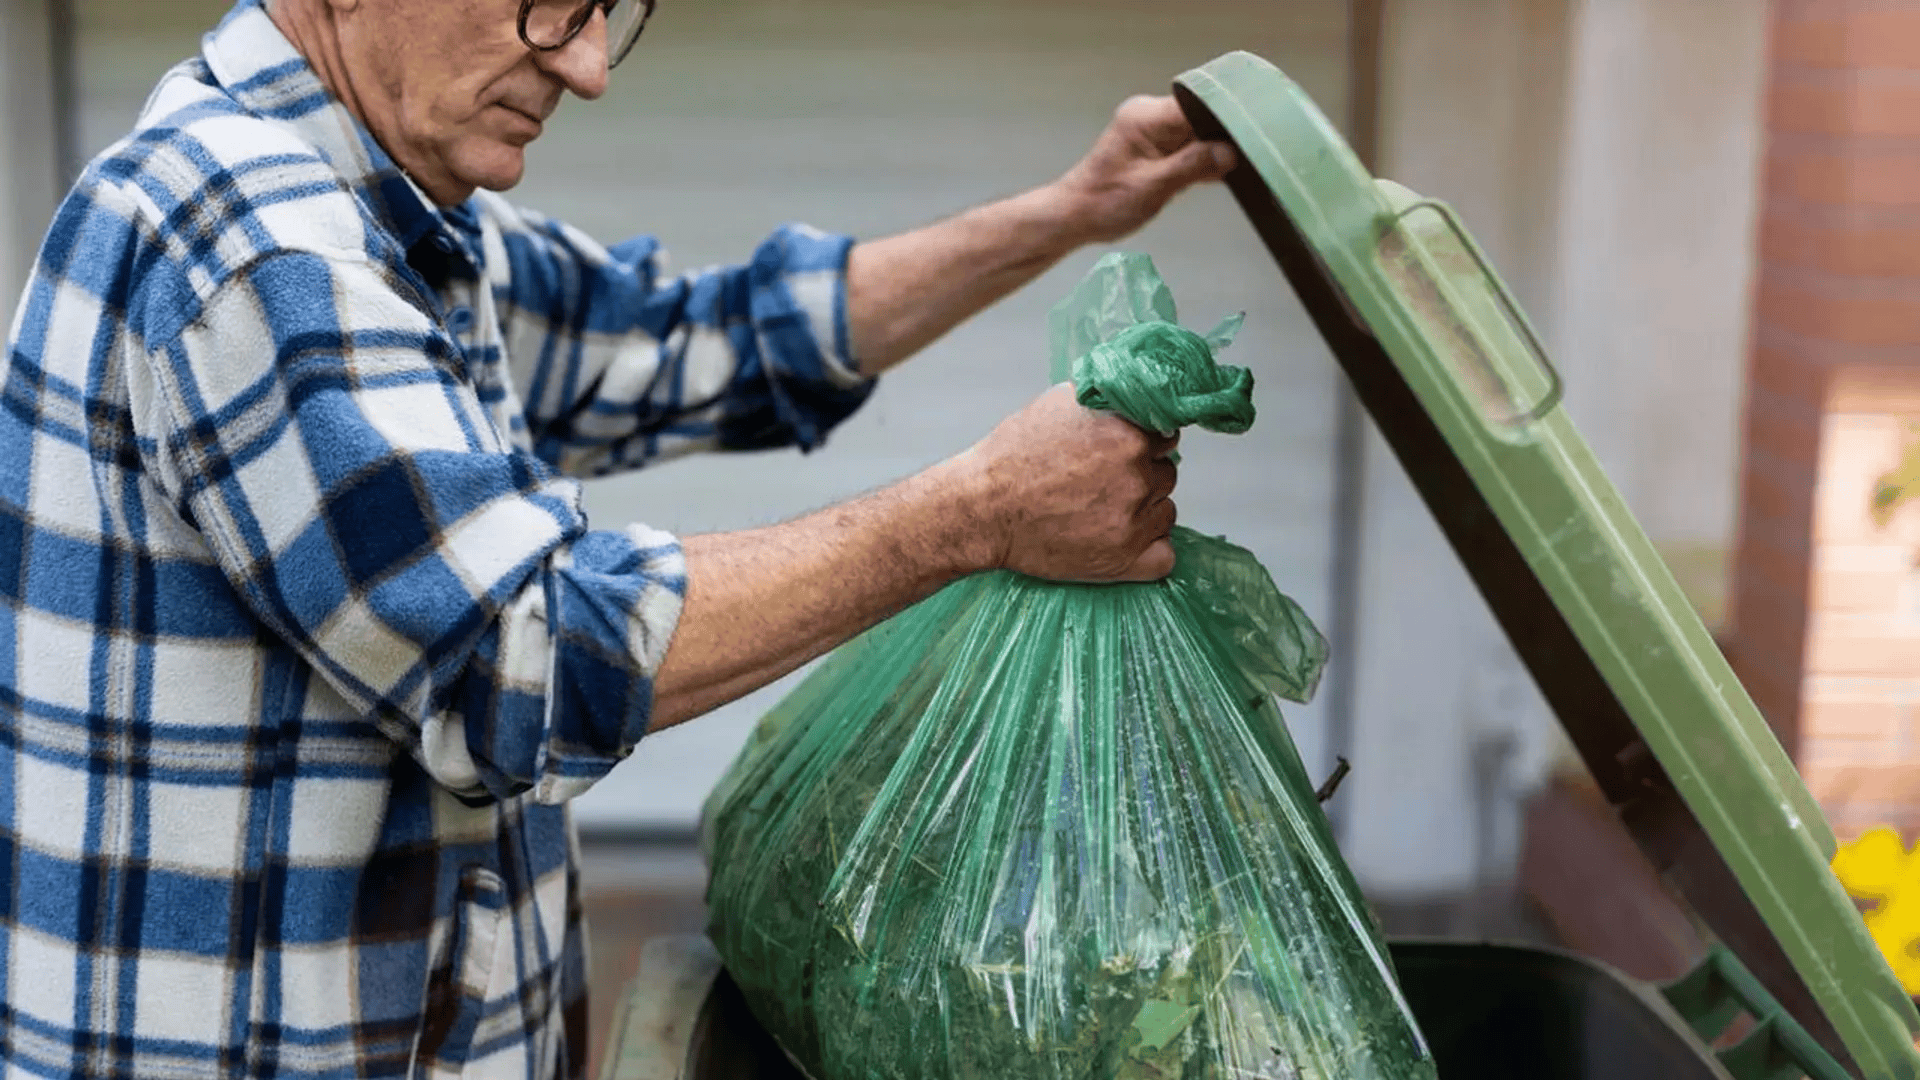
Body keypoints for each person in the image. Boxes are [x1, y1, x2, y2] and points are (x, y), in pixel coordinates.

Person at [0, 0, 1236, 1075]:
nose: (586, 66)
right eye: (546, 3)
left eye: (609, 12)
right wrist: (980, 514)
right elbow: (520, 657)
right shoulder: (251, 240)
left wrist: (1075, 210)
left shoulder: (400, 219)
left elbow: (708, 340)